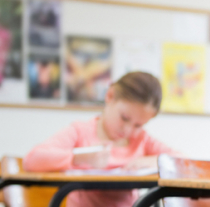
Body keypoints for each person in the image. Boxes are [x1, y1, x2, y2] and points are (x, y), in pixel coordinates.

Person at [23, 71, 178, 207]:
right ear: (109, 96)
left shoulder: (142, 140)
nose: (128, 130)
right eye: (124, 118)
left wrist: (155, 161)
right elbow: (32, 159)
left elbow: (182, 161)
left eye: (139, 125)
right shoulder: (80, 132)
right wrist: (78, 157)